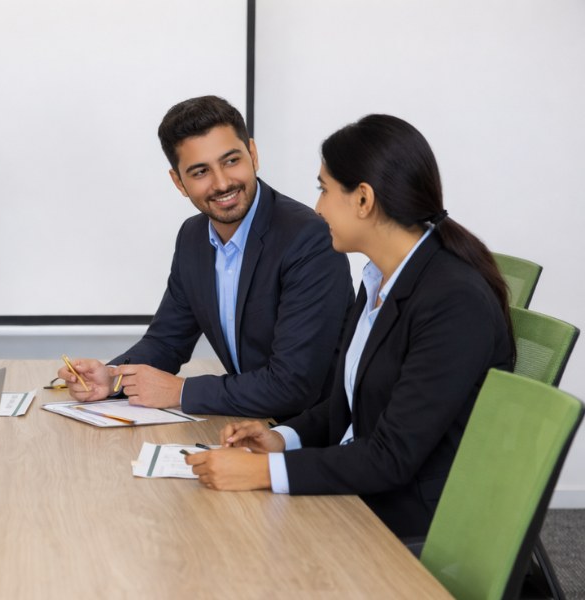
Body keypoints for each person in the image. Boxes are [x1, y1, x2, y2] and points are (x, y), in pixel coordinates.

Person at [184, 114, 514, 539]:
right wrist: (280, 438)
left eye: (324, 189)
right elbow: (348, 403)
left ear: (363, 199)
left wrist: (265, 470)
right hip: (363, 491)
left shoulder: (453, 300)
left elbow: (391, 456)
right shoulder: (379, 279)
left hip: (413, 522)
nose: (318, 207)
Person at [58, 96, 354, 420]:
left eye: (231, 161)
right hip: (247, 425)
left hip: (319, 439)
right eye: (200, 171)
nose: (222, 182)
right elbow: (167, 342)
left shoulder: (308, 238)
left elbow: (293, 385)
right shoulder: (192, 238)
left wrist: (179, 391)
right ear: (179, 182)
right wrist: (113, 377)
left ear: (253, 154)